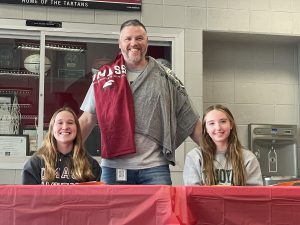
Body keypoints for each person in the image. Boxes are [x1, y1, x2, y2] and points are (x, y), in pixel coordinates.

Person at [79, 19, 201, 185]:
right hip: (113, 167)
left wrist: (219, 151)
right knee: (113, 212)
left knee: (161, 212)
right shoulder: (103, 77)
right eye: (128, 39)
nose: (133, 43)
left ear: (147, 42)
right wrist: (56, 150)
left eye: (139, 38)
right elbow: (87, 119)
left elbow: (190, 120)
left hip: (155, 168)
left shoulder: (165, 76)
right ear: (120, 43)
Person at [183, 104, 263, 186]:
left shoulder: (248, 158)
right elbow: (192, 194)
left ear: (231, 125)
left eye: (223, 121)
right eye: (211, 123)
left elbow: (255, 195)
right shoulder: (194, 157)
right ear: (206, 129)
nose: (218, 127)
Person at [22, 107, 101, 185]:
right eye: (60, 123)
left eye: (70, 123)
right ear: (52, 129)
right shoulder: (35, 163)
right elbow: (27, 196)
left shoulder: (91, 165)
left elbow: (94, 197)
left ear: (77, 129)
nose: (65, 127)